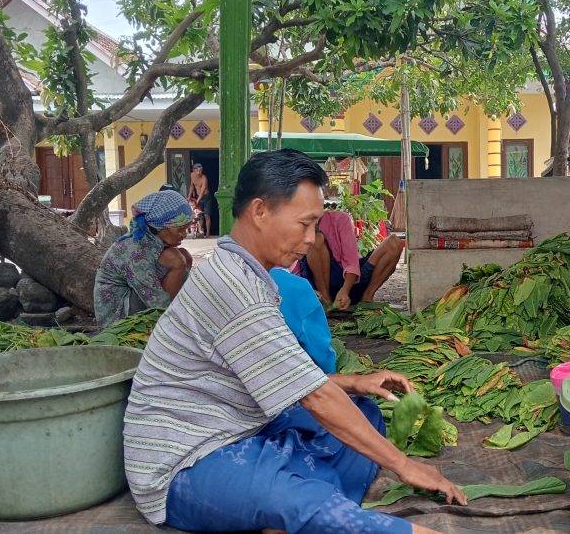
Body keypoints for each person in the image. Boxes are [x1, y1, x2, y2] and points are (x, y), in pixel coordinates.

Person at [123, 149, 464, 534]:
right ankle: (310, 509)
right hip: (184, 464)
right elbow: (315, 397)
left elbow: (288, 378)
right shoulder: (234, 288)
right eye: (305, 224)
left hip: (240, 430)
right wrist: (404, 465)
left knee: (362, 412)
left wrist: (352, 382)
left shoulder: (246, 272)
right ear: (260, 211)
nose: (310, 239)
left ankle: (298, 509)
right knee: (311, 480)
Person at [93, 190, 193, 328]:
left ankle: (171, 315)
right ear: (161, 227)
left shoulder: (152, 240)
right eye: (180, 230)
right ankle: (165, 324)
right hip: (117, 317)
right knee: (176, 260)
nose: (184, 235)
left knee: (184, 256)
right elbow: (154, 297)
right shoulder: (136, 251)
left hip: (136, 299)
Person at [295, 209, 404, 310]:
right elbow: (291, 270)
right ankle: (326, 302)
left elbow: (351, 262)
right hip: (320, 288)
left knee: (394, 242)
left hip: (351, 280)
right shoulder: (293, 224)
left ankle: (366, 299)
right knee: (316, 239)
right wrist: (309, 291)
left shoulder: (340, 219)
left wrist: (345, 289)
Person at [187, 162, 215, 237]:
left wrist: (197, 201)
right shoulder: (192, 175)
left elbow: (202, 191)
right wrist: (189, 196)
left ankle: (208, 233)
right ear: (194, 170)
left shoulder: (204, 178)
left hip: (206, 197)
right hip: (198, 196)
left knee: (207, 215)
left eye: (201, 170)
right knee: (199, 215)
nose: (199, 172)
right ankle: (200, 232)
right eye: (198, 170)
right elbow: (192, 186)